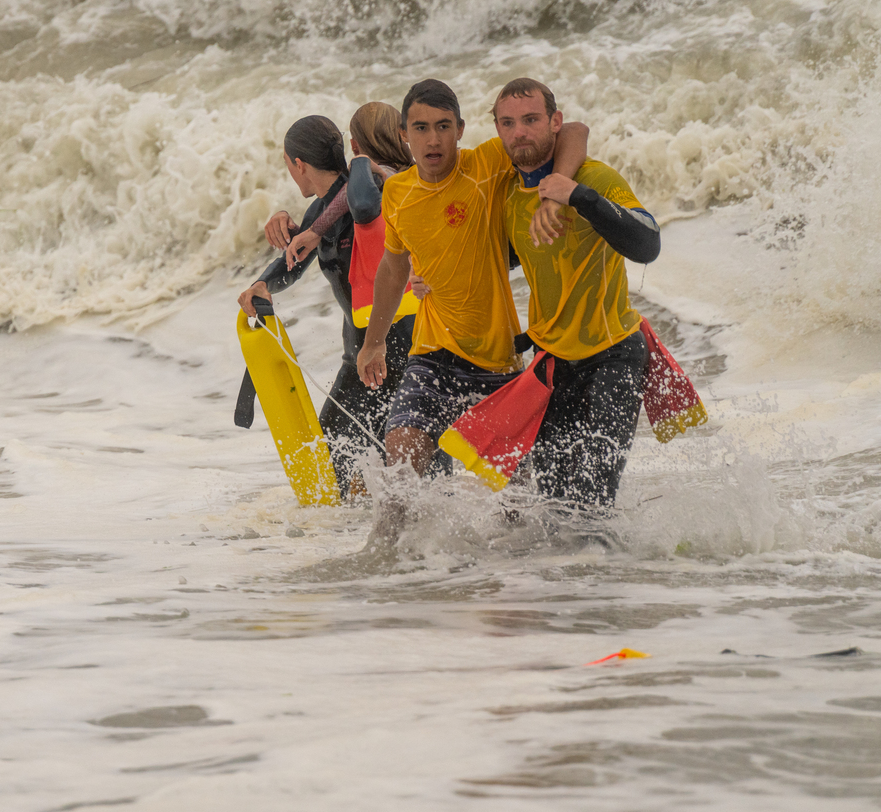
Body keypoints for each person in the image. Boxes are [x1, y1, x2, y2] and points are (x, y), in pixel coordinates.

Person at [355, 79, 587, 477]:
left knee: (516, 501)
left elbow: (573, 131)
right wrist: (373, 342)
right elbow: (394, 268)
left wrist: (554, 193)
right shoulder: (397, 192)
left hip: (496, 362)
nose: (433, 140)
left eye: (444, 126)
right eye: (421, 128)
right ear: (403, 134)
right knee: (401, 469)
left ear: (460, 130)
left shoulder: (485, 164)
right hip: (430, 355)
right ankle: (393, 544)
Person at [493, 77, 659, 509]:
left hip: (613, 355)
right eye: (508, 123)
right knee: (554, 508)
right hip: (552, 366)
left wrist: (578, 196)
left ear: (555, 122)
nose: (519, 132)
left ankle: (607, 570)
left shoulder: (594, 177)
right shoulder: (508, 194)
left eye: (531, 120)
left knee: (592, 504)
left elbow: (648, 244)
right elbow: (504, 258)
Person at [237, 115, 374, 496]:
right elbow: (292, 265)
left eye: (288, 165)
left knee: (338, 454)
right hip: (360, 353)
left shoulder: (367, 194)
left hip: (385, 350)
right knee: (347, 458)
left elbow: (362, 203)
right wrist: (263, 283)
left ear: (299, 165)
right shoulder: (321, 210)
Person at [281, 103, 421, 432]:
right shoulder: (391, 178)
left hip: (404, 339)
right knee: (367, 445)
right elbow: (344, 199)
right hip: (375, 343)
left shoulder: (397, 182)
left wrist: (359, 162)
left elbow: (362, 204)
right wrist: (312, 230)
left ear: (355, 146)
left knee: (415, 446)